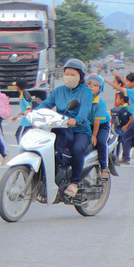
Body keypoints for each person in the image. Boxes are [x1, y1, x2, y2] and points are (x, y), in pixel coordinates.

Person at [35, 58, 93, 198]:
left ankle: (75, 182)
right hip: (60, 128)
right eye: (66, 73)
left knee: (77, 149)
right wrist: (33, 112)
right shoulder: (59, 91)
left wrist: (76, 120)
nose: (69, 77)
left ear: (80, 76)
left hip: (80, 130)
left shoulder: (85, 92)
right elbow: (47, 104)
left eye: (73, 74)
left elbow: (84, 112)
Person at [85, 75, 111, 182]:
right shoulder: (82, 100)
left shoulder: (100, 103)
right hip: (88, 125)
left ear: (100, 89)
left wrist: (94, 135)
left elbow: (97, 121)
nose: (91, 87)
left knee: (100, 141)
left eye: (95, 85)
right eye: (89, 84)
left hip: (101, 126)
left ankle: (105, 167)